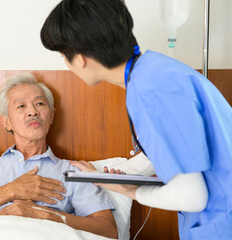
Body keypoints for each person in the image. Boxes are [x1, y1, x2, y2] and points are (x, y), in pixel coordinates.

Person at [40, 0, 232, 240]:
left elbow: (192, 196)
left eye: (63, 57)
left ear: (79, 58)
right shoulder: (155, 71)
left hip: (221, 223)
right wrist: (115, 179)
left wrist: (131, 191)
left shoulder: (150, 92)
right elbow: (183, 154)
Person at [0, 72, 118, 239]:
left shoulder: (72, 171)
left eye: (40, 104)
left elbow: (108, 230)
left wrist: (44, 214)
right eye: (21, 106)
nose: (33, 112)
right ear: (6, 121)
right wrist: (11, 190)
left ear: (51, 116)